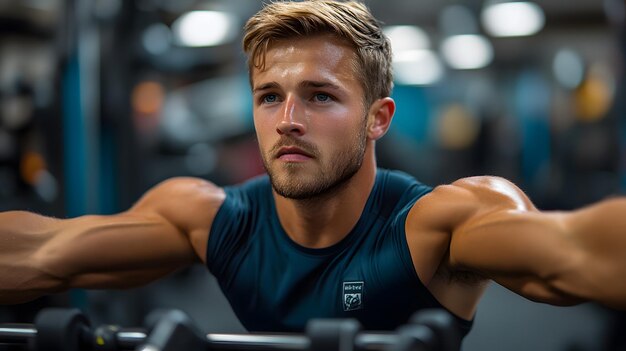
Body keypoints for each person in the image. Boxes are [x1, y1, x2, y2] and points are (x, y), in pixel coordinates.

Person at [1, 0, 626, 339]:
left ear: (378, 118)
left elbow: (574, 251)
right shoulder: (210, 218)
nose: (288, 119)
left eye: (320, 96)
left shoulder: (438, 226)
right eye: (269, 96)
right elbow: (44, 252)